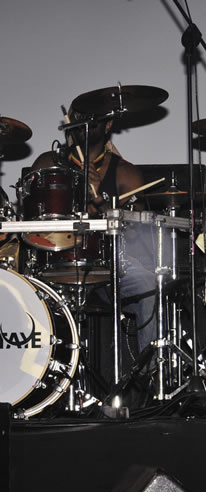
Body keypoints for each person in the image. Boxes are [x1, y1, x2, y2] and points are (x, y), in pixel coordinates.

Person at [28, 108, 157, 362]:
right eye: (76, 119)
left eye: (91, 119)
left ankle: (149, 375)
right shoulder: (48, 164)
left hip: (109, 268)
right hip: (55, 265)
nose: (82, 124)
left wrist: (100, 201)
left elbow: (137, 238)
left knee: (149, 284)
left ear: (108, 125)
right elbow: (30, 221)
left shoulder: (125, 173)